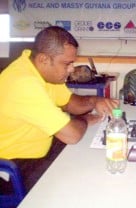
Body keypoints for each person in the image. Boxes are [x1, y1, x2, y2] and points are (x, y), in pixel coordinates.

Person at [0, 26, 119, 191]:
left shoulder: (38, 69)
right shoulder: (23, 83)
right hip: (11, 169)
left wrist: (95, 100)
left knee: (91, 159)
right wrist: (84, 119)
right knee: (85, 180)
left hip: (38, 151)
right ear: (44, 59)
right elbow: (72, 135)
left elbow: (70, 102)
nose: (71, 69)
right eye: (67, 63)